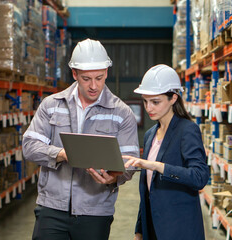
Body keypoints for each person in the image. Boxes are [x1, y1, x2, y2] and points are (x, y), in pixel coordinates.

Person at [22, 38, 140, 240]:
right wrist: (61, 154)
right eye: (86, 79)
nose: (94, 86)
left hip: (95, 211)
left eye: (100, 77)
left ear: (106, 72)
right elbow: (29, 146)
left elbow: (130, 161)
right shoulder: (51, 105)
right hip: (52, 208)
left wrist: (115, 177)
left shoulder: (121, 112)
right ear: (75, 74)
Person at [123, 64, 209, 240]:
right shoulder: (149, 135)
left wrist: (158, 166)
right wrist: (139, 230)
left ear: (173, 98)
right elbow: (147, 192)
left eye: (155, 102)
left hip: (179, 229)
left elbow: (199, 177)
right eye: (145, 101)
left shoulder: (187, 130)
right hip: (153, 229)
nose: (149, 108)